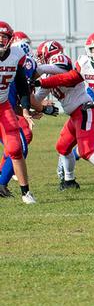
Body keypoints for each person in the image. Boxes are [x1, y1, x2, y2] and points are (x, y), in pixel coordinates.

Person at [32, 39, 94, 191]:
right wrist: (27, 107)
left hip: (84, 110)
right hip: (74, 114)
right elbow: (37, 98)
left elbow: (59, 69)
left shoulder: (58, 61)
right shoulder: (46, 77)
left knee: (86, 151)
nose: (38, 59)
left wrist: (35, 71)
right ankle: (69, 181)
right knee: (62, 147)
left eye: (40, 55)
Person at [0, 22, 37, 204]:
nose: (0, 40)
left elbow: (22, 85)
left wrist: (25, 108)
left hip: (3, 106)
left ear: (10, 39)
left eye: (4, 37)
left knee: (15, 148)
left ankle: (26, 192)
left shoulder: (16, 55)